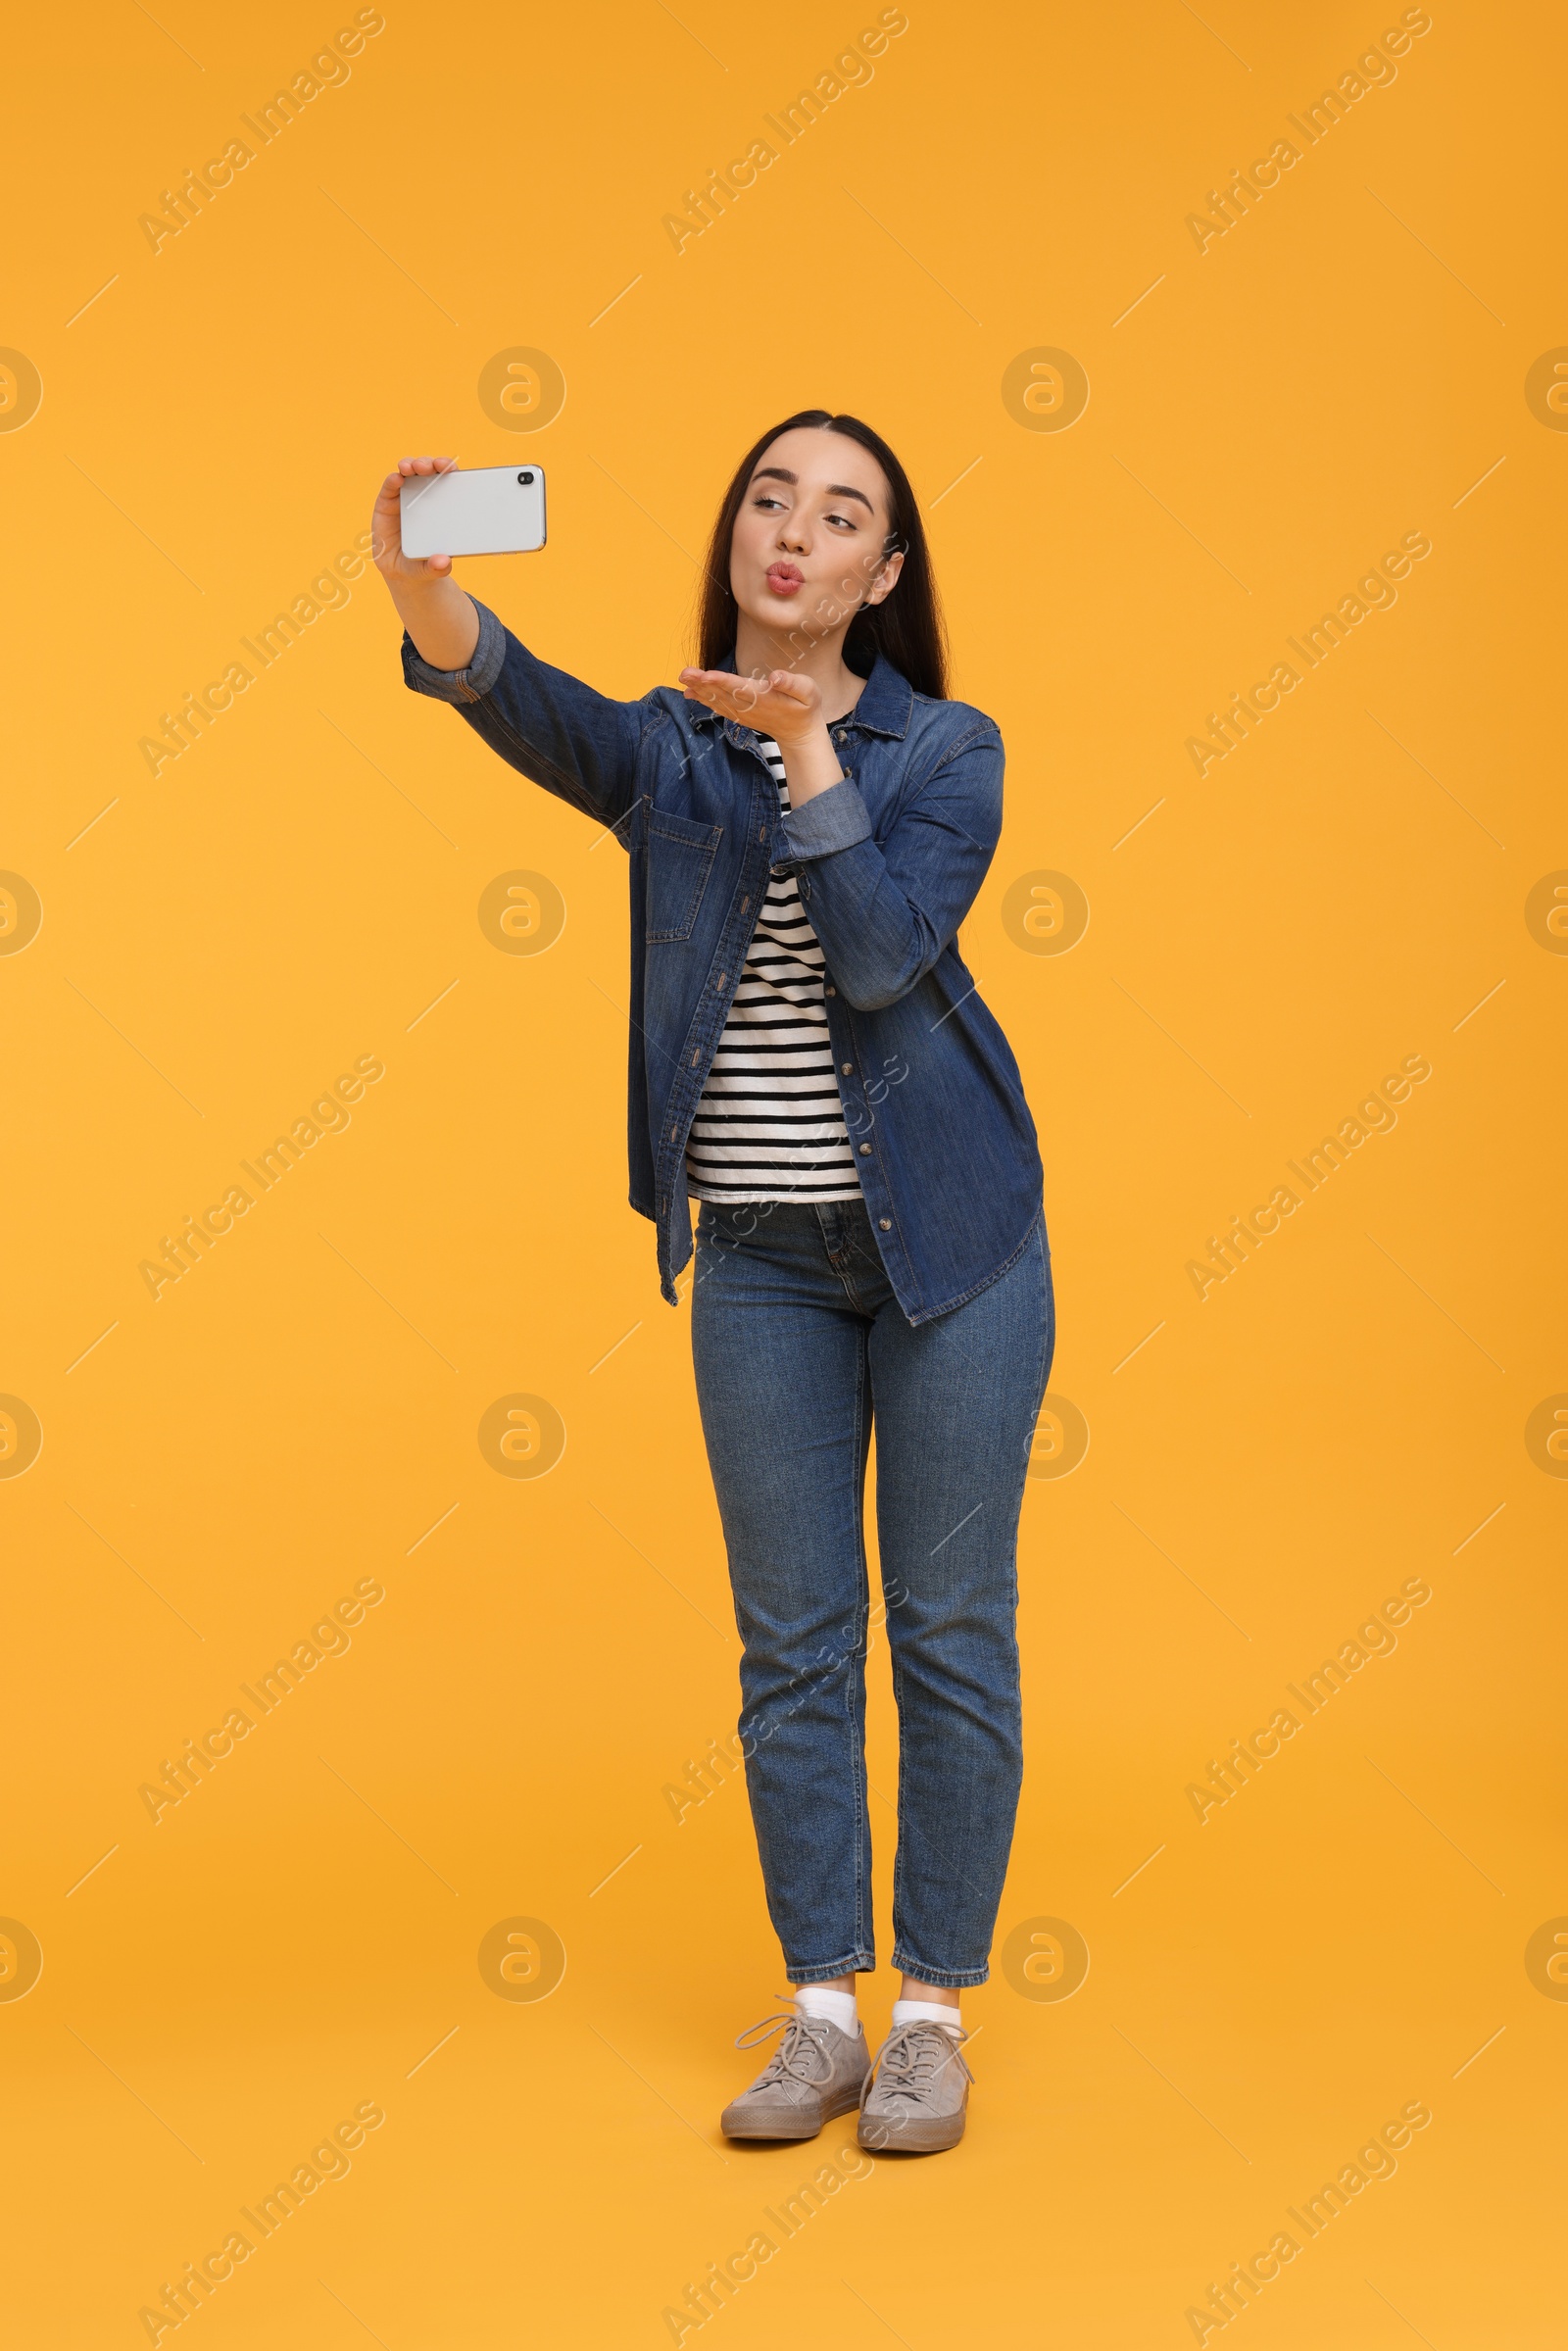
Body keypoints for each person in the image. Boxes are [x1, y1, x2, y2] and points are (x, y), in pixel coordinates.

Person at [374, 410, 1053, 2154]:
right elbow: (533, 710)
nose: (795, 535)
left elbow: (888, 956)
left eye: (841, 518)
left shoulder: (945, 750)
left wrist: (809, 756)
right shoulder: (668, 754)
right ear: (740, 536)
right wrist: (422, 592)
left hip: (956, 1252)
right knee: (795, 1644)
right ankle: (823, 2010)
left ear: (881, 579)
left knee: (953, 1637)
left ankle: (932, 2018)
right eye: (772, 499)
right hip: (756, 1255)